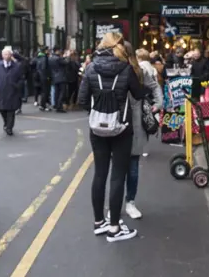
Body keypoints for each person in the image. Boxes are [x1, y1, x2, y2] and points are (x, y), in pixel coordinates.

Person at [78, 32, 147, 242]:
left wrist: (97, 108)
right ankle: (115, 228)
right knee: (118, 176)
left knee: (99, 174)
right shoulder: (126, 69)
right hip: (121, 128)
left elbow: (82, 100)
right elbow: (138, 94)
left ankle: (99, 222)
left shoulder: (90, 68)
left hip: (97, 129)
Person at [132, 48, 163, 161]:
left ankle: (140, 147)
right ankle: (145, 147)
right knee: (147, 120)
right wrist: (158, 102)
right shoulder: (152, 68)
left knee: (140, 122)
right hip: (151, 97)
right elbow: (155, 84)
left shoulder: (140, 68)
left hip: (142, 97)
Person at [0, 47, 23, 136]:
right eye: (5, 54)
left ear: (11, 55)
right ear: (2, 55)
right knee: (1, 109)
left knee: (11, 110)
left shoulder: (17, 66)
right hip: (1, 91)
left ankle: (9, 127)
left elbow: (21, 78)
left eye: (8, 54)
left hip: (12, 91)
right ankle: (6, 122)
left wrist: (17, 86)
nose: (7, 56)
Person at [48, 47, 68, 113]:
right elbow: (66, 62)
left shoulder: (50, 58)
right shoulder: (58, 58)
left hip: (54, 77)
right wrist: (66, 56)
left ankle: (56, 105)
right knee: (62, 92)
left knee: (56, 92)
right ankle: (59, 106)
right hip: (61, 77)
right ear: (57, 51)